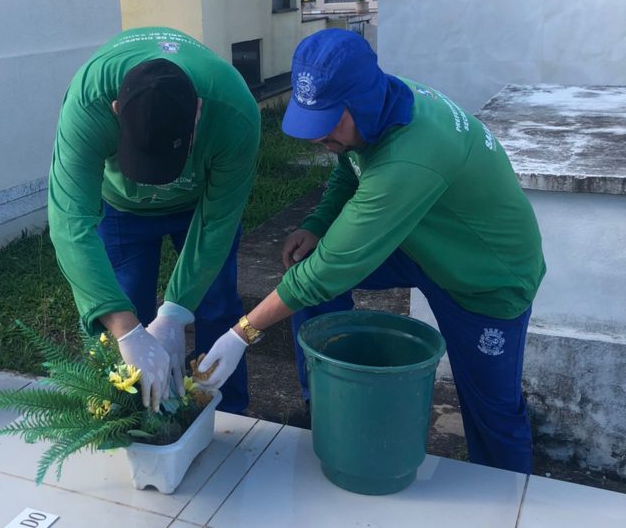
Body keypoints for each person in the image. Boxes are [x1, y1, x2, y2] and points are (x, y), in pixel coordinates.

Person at [196, 28, 545, 474]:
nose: (319, 138)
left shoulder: (413, 154)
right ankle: (324, 409)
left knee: (493, 413)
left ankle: (514, 502)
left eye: (329, 123)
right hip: (419, 242)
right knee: (311, 276)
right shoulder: (380, 105)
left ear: (359, 100)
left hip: (485, 276)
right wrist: (317, 224)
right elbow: (350, 165)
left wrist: (240, 333)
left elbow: (329, 269)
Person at [48, 26, 260, 414]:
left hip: (199, 207)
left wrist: (177, 311)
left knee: (214, 305)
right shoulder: (88, 102)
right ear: (115, 111)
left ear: (198, 110)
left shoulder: (234, 112)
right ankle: (130, 419)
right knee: (123, 312)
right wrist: (127, 329)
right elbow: (69, 223)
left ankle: (228, 415)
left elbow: (218, 222)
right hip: (121, 209)